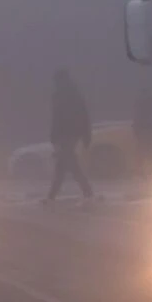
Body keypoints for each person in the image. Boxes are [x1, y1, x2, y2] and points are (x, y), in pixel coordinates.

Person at [45, 68, 94, 203]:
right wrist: (85, 135)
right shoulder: (71, 94)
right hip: (70, 134)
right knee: (67, 164)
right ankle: (87, 192)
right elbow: (83, 116)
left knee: (65, 164)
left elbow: (60, 118)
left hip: (68, 134)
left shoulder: (67, 95)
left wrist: (54, 137)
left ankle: (52, 196)